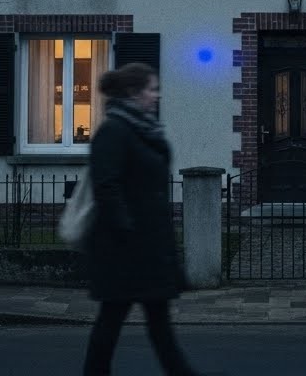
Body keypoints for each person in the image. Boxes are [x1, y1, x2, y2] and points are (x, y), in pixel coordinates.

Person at [82, 62, 208, 376]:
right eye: (152, 89)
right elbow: (106, 185)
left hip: (148, 248)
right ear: (133, 93)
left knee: (157, 324)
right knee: (112, 320)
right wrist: (127, 229)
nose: (157, 96)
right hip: (124, 249)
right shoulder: (114, 131)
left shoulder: (144, 130)